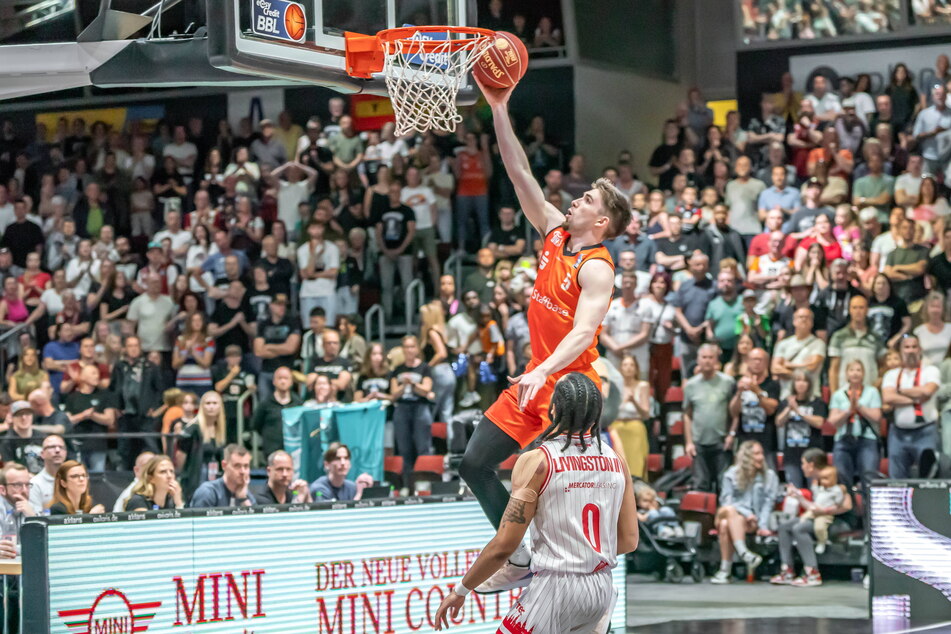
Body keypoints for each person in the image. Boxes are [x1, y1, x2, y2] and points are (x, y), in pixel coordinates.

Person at [456, 76, 629, 593]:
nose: (575, 200)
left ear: (601, 222)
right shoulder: (554, 232)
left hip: (573, 389)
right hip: (536, 381)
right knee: (473, 464)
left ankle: (573, 574)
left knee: (550, 487)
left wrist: (542, 370)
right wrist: (499, 107)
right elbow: (518, 171)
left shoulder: (598, 267)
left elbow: (582, 335)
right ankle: (520, 559)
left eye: (588, 199)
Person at [434, 373, 637, 629]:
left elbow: (505, 545)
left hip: (556, 587)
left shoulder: (537, 461)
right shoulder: (617, 461)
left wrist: (461, 590)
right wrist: (585, 557)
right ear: (597, 414)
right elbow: (629, 541)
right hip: (601, 588)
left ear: (553, 409)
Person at [710, 441, 780, 584]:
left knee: (724, 525)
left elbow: (768, 504)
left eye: (761, 453)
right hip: (729, 513)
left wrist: (762, 525)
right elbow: (726, 502)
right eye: (756, 454)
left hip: (750, 522)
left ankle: (725, 571)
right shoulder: (731, 474)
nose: (761, 457)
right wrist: (746, 513)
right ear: (746, 457)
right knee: (728, 511)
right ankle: (744, 553)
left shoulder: (770, 476)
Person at [882, 334, 941, 478]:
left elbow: (928, 391)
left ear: (919, 349)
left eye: (914, 346)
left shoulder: (930, 371)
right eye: (907, 347)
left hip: (925, 431)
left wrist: (900, 391)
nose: (910, 350)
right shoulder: (892, 374)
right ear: (901, 351)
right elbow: (888, 397)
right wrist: (917, 398)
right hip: (898, 432)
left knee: (929, 476)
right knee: (897, 477)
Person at [684, 344, 736, 492]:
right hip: (699, 442)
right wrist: (689, 442)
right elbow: (687, 414)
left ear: (716, 360)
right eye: (704, 357)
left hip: (721, 441)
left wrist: (731, 434)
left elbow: (734, 412)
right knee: (700, 484)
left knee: (724, 485)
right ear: (698, 360)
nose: (707, 361)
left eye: (711, 357)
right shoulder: (691, 385)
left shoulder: (728, 382)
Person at [110, 336, 164, 468]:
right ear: (125, 348)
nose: (133, 349)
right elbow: (113, 388)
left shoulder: (150, 367)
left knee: (149, 446)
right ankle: (123, 478)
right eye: (130, 346)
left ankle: (155, 472)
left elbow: (159, 389)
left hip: (144, 414)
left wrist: (154, 407)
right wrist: (116, 407)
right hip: (125, 414)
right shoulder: (119, 366)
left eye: (136, 345)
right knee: (125, 449)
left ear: (140, 348)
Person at [829, 360, 883, 490]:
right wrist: (848, 410)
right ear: (846, 374)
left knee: (869, 477)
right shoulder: (838, 394)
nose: (855, 373)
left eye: (859, 370)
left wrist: (858, 406)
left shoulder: (872, 392)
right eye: (852, 370)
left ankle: (868, 508)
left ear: (863, 374)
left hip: (866, 439)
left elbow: (877, 417)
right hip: (843, 439)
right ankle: (848, 509)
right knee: (842, 478)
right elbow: (833, 420)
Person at [389, 336, 433, 484]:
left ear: (417, 349)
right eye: (406, 347)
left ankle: (425, 483)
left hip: (420, 407)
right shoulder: (397, 370)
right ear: (403, 349)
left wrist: (413, 385)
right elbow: (393, 395)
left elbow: (426, 390)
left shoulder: (425, 368)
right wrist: (403, 386)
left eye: (412, 346)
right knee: (404, 449)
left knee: (423, 447)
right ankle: (408, 485)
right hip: (402, 408)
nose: (409, 350)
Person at [776, 372, 827, 488]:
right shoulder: (786, 402)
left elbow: (819, 423)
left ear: (809, 384)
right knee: (794, 490)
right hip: (791, 454)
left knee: (814, 489)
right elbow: (778, 422)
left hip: (812, 455)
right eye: (798, 380)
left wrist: (798, 411)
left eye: (804, 381)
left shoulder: (817, 402)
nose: (801, 384)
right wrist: (789, 408)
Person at [728, 348, 780, 463]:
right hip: (744, 439)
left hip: (767, 441)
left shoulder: (773, 384)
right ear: (747, 361)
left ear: (767, 363)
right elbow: (733, 412)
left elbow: (771, 410)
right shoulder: (738, 382)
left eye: (760, 360)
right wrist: (738, 393)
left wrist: (757, 391)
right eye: (754, 359)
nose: (757, 362)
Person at [64, 365, 118, 472]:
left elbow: (110, 419)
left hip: (97, 444)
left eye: (98, 373)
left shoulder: (105, 395)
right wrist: (83, 415)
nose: (97, 376)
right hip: (77, 444)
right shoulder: (72, 397)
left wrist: (93, 415)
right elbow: (67, 421)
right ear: (83, 377)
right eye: (93, 373)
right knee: (77, 474)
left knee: (97, 476)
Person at [828, 295, 884, 394]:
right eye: (854, 307)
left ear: (867, 310)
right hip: (844, 392)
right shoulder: (839, 336)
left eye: (861, 307)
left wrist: (875, 387)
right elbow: (834, 368)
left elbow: (883, 366)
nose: (858, 311)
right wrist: (834, 394)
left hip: (869, 394)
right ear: (849, 310)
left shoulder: (876, 338)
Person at [771, 308, 826, 399]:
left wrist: (787, 365)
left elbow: (811, 367)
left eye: (807, 317)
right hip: (787, 395)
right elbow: (775, 369)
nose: (804, 319)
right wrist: (800, 371)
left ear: (812, 322)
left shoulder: (818, 344)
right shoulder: (783, 344)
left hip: (811, 396)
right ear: (794, 321)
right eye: (800, 317)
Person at [612, 355, 651, 479]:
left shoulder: (643, 385)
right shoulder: (614, 386)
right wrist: (623, 401)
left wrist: (634, 401)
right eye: (625, 365)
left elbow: (646, 414)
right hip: (617, 426)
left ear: (636, 368)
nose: (628, 368)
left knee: (636, 463)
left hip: (635, 426)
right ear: (620, 368)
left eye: (632, 365)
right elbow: (610, 411)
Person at [251, 367, 302, 458]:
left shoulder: (298, 403)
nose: (283, 381)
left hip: (294, 450)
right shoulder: (265, 403)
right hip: (272, 450)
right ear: (274, 381)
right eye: (280, 378)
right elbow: (256, 424)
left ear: (291, 382)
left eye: (286, 378)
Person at [188, 443, 256, 508]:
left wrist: (243, 499)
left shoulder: (246, 495)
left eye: (246, 466)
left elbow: (256, 519)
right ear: (224, 465)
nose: (243, 471)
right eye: (237, 466)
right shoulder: (208, 492)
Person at [310, 444, 374, 501]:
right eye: (338, 459)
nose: (343, 463)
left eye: (346, 458)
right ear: (327, 464)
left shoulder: (352, 487)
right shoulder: (319, 488)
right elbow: (333, 513)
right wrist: (359, 493)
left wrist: (364, 488)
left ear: (350, 464)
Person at [0, 401, 45, 473]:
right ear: (12, 417)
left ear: (32, 416)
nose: (24, 417)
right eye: (19, 414)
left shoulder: (42, 437)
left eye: (27, 414)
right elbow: (9, 467)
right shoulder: (7, 441)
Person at [28, 433, 67, 511]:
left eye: (61, 447)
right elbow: (36, 516)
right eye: (52, 447)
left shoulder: (74, 479)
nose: (57, 450)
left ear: (66, 452)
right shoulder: (35, 484)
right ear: (42, 454)